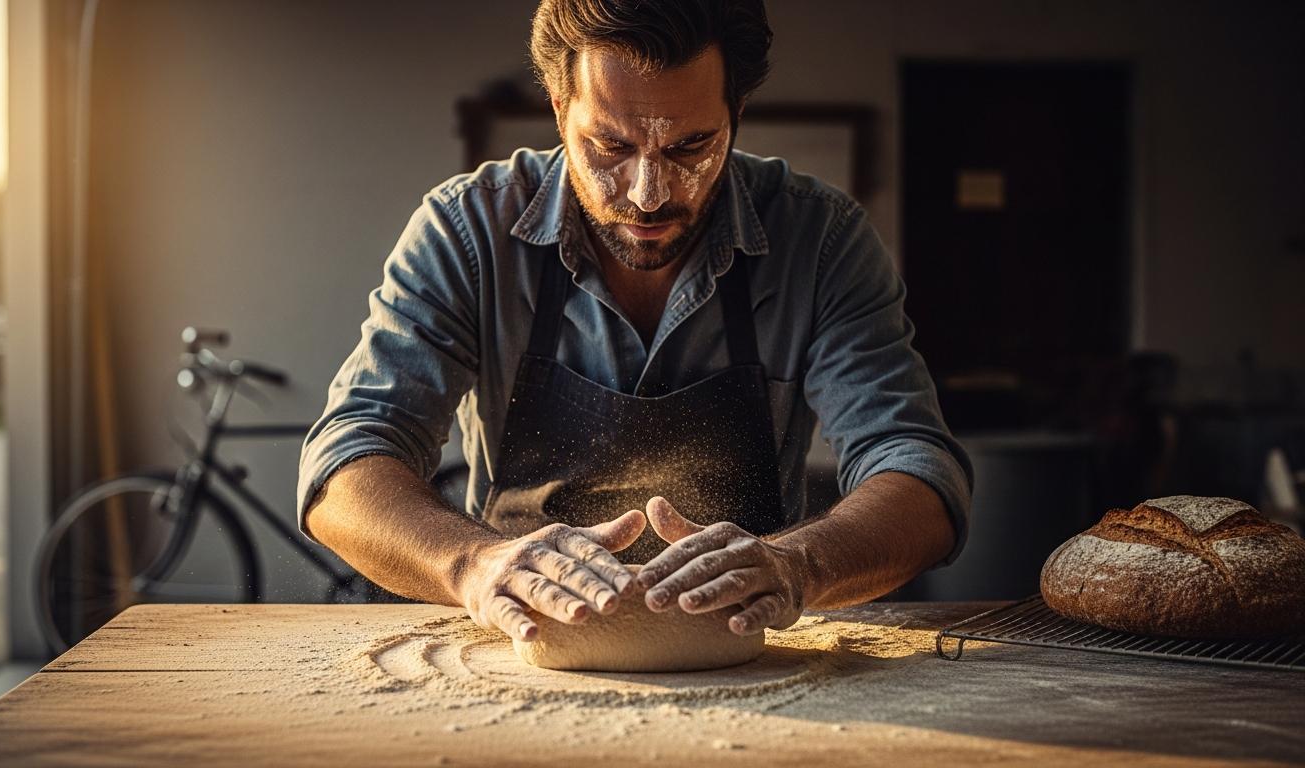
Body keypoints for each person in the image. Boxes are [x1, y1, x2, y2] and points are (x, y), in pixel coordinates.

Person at [297, 0, 973, 645]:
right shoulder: (467, 233)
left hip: (748, 655)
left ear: (736, 114)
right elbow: (346, 465)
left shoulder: (821, 240)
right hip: (525, 649)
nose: (648, 195)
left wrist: (800, 566)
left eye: (690, 146)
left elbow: (918, 472)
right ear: (560, 111)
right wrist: (471, 565)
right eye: (609, 145)